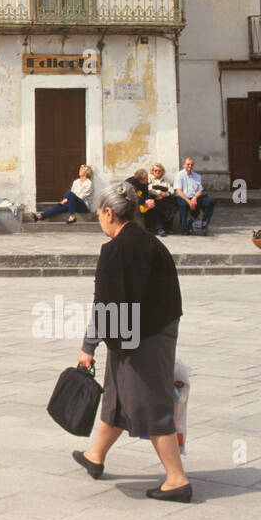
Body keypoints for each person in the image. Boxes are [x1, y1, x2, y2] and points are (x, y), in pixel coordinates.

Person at [71, 180, 189, 502]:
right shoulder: (152, 243)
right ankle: (95, 455)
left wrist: (88, 347)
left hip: (140, 341)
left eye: (99, 214)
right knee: (118, 397)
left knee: (151, 403)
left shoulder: (114, 251)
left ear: (109, 213)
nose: (99, 220)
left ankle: (177, 480)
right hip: (157, 330)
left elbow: (104, 307)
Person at [174, 156, 215, 235]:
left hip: (194, 198)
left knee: (211, 201)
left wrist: (195, 198)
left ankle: (203, 224)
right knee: (184, 204)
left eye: (191, 164)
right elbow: (178, 191)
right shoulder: (179, 175)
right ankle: (184, 228)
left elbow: (200, 190)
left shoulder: (197, 176)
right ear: (184, 164)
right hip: (183, 197)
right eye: (188, 164)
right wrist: (189, 201)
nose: (190, 166)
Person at [143, 163, 176, 236]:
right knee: (156, 206)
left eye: (159, 171)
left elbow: (172, 190)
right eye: (155, 171)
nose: (157, 172)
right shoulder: (150, 180)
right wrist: (159, 193)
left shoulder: (165, 182)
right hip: (154, 198)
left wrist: (165, 194)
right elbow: (149, 189)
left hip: (164, 199)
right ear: (152, 171)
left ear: (162, 172)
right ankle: (159, 228)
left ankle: (168, 228)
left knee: (171, 206)